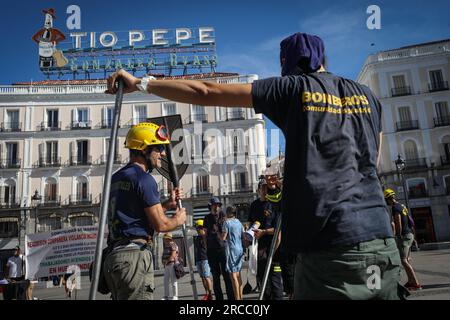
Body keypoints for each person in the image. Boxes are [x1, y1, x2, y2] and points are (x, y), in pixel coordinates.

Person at [105, 32, 401, 299]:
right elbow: (372, 160)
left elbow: (205, 92)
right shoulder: (369, 97)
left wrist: (142, 83)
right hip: (380, 238)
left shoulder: (293, 88)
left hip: (331, 243)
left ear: (289, 62)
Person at [103, 122, 186, 300]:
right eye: (158, 148)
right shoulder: (144, 179)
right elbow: (161, 224)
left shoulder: (115, 178)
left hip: (114, 256)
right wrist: (179, 219)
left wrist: (166, 204)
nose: (162, 153)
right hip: (134, 258)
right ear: (143, 149)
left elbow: (134, 213)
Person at [250, 173, 284, 300]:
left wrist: (264, 232)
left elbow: (279, 229)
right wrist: (248, 233)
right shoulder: (254, 205)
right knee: (262, 282)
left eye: (266, 188)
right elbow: (250, 223)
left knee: (275, 282)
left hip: (274, 248)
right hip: (259, 250)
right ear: (258, 190)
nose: (265, 191)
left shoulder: (274, 204)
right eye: (263, 188)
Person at [384, 188, 422, 290]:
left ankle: (416, 284)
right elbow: (410, 220)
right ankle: (410, 281)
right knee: (407, 260)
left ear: (388, 199)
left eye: (385, 200)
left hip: (404, 236)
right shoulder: (402, 206)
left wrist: (398, 235)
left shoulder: (395, 208)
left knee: (403, 260)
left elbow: (398, 222)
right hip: (410, 234)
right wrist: (413, 235)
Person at [203, 197, 235, 300]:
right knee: (215, 277)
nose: (217, 207)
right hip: (212, 250)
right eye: (215, 205)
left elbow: (228, 231)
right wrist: (206, 247)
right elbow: (205, 234)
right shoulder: (207, 218)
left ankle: (231, 298)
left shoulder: (223, 216)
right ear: (211, 206)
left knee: (226, 275)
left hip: (223, 249)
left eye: (218, 205)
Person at [221, 206, 245, 300]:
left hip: (231, 249)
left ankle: (237, 298)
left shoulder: (226, 223)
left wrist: (218, 232)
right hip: (240, 249)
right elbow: (243, 235)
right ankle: (241, 297)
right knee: (238, 274)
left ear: (228, 213)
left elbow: (223, 237)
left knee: (233, 275)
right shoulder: (238, 222)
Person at [194, 219, 213, 300]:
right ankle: (206, 294)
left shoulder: (206, 236)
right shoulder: (197, 238)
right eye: (197, 228)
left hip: (205, 258)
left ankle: (210, 294)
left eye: (199, 228)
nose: (197, 230)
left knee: (206, 276)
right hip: (199, 259)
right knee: (202, 277)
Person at [161, 233, 179, 300]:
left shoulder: (173, 244)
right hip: (167, 264)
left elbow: (173, 255)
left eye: (165, 239)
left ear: (168, 239)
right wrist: (163, 261)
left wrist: (166, 261)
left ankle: (175, 296)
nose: (164, 240)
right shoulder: (167, 245)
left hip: (172, 264)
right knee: (165, 280)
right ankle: (166, 296)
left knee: (173, 280)